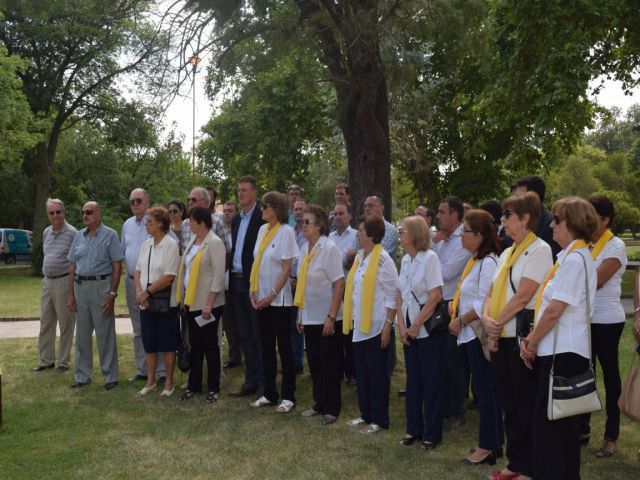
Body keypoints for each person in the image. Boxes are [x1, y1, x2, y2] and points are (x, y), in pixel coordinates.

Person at [520, 197, 598, 480]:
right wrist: (533, 340)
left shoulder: (575, 260)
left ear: (574, 223)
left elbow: (554, 311)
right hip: (557, 351)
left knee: (551, 429)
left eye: (557, 219)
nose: (551, 225)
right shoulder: (569, 258)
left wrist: (530, 341)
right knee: (557, 430)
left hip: (563, 354)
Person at [481, 192, 553, 480]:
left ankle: (530, 466)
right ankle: (516, 461)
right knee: (507, 402)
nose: (502, 221)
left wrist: (495, 323)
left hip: (518, 338)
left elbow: (523, 296)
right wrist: (488, 319)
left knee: (525, 404)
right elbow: (489, 293)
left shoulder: (540, 250)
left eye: (507, 215)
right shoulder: (508, 251)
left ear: (525, 219)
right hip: (500, 334)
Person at [448, 210, 503, 464]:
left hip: (476, 334)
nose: (461, 236)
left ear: (479, 235)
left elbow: (484, 302)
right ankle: (492, 443)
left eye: (465, 232)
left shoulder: (489, 262)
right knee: (484, 389)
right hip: (469, 335)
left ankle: (488, 447)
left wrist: (461, 319)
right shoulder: (476, 261)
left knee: (485, 391)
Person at [578, 195, 627, 457]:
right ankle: (583, 428)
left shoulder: (615, 245)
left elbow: (595, 281)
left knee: (609, 377)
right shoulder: (585, 244)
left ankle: (611, 435)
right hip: (586, 319)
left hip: (607, 321)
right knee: (586, 375)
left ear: (605, 219)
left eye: (590, 215)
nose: (584, 220)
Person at [345, 215, 398, 434]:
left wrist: (387, 325)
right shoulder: (360, 257)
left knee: (377, 375)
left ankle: (379, 419)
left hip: (376, 326)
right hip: (360, 325)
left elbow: (392, 296)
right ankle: (365, 414)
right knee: (362, 373)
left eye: (361, 230)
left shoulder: (384, 259)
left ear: (371, 235)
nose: (358, 233)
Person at [396, 215, 445, 449]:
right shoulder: (405, 260)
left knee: (431, 381)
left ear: (415, 234)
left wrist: (415, 326)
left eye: (403, 230)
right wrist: (402, 326)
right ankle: (413, 429)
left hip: (427, 330)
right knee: (413, 381)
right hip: (409, 329)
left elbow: (435, 296)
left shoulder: (430, 259)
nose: (399, 234)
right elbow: (400, 295)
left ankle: (432, 433)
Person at [249, 192, 299, 413]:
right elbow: (257, 262)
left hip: (279, 300)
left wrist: (271, 294)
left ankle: (288, 396)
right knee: (266, 346)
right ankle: (270, 392)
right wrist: (254, 291)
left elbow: (287, 268)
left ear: (277, 208)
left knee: (284, 348)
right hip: (261, 299)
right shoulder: (262, 230)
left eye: (265, 206)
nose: (262, 209)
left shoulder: (287, 232)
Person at [295, 205, 345, 425]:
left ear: (320, 225)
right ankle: (319, 403)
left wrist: (331, 316)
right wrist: (300, 314)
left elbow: (339, 283)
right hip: (309, 314)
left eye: (307, 222)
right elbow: (302, 285)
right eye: (302, 222)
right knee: (314, 362)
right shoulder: (305, 248)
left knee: (329, 363)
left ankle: (332, 407)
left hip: (327, 316)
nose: (302, 225)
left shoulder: (329, 248)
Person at [67, 201, 124, 390]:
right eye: (83, 212)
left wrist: (112, 294)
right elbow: (72, 265)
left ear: (99, 213)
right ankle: (82, 376)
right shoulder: (78, 236)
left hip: (102, 287)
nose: (85, 215)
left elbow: (117, 266)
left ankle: (110, 377)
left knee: (105, 333)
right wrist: (70, 295)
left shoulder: (110, 235)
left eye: (89, 212)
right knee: (82, 335)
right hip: (80, 287)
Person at [176, 207, 226, 402]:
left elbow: (218, 276)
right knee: (195, 346)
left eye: (191, 220)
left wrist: (209, 304)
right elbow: (186, 270)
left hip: (208, 304)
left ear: (202, 222)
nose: (189, 223)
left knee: (210, 345)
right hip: (191, 301)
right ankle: (194, 385)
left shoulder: (214, 243)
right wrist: (182, 297)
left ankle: (214, 387)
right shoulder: (192, 241)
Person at [432, 196, 471, 429]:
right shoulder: (440, 240)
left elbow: (444, 273)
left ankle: (457, 410)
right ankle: (445, 405)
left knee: (454, 361)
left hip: (453, 305)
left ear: (455, 214)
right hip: (439, 303)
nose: (438, 216)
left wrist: (432, 253)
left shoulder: (461, 240)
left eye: (442, 211)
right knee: (441, 359)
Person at [134, 206, 180, 397]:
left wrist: (147, 292)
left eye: (150, 222)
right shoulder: (147, 245)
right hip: (145, 302)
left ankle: (169, 383)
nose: (146, 225)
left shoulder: (171, 244)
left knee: (168, 343)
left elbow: (169, 275)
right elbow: (137, 271)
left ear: (160, 224)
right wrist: (139, 292)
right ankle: (151, 381)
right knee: (150, 342)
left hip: (165, 303)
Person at [122, 188, 166, 383]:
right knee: (138, 328)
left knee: (158, 326)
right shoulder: (127, 225)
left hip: (155, 285)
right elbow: (125, 251)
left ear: (147, 201)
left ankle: (162, 371)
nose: (135, 204)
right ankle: (142, 369)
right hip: (133, 282)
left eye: (139, 200)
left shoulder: (156, 221)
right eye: (132, 202)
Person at [229, 176, 266, 397]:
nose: (240, 194)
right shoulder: (235, 220)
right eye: (238, 190)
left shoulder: (262, 217)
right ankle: (250, 380)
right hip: (236, 280)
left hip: (253, 282)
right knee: (244, 333)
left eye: (244, 190)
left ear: (254, 192)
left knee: (257, 332)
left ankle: (263, 380)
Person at [33, 198, 77, 373]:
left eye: (58, 212)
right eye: (52, 213)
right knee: (46, 322)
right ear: (48, 215)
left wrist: (71, 290)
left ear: (63, 212)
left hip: (64, 282)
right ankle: (46, 360)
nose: (55, 215)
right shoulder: (46, 232)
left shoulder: (73, 233)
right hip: (47, 282)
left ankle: (63, 363)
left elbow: (75, 261)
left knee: (66, 323)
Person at [329, 202, 358, 386]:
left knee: (349, 331)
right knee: (336, 331)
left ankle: (351, 371)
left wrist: (347, 259)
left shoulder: (356, 236)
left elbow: (353, 261)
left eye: (341, 214)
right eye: (335, 214)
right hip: (333, 289)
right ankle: (337, 369)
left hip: (350, 288)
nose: (338, 217)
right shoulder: (329, 237)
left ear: (349, 216)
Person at [510, 175, 561, 260]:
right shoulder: (518, 223)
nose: (515, 202)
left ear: (534, 198)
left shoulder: (551, 225)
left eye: (519, 198)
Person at [182, 187, 231, 258]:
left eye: (193, 200)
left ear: (204, 202)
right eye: (188, 200)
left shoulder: (217, 223)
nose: (190, 202)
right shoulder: (185, 224)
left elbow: (227, 252)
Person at [222, 201, 242, 368]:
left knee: (241, 322)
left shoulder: (238, 232)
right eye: (225, 211)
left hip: (238, 282)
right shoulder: (221, 233)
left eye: (230, 211)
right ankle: (234, 356)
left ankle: (243, 353)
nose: (227, 213)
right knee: (229, 323)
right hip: (224, 285)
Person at [290, 199, 307, 374]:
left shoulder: (309, 234)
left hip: (304, 282)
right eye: (296, 209)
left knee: (301, 322)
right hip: (289, 281)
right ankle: (293, 359)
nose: (298, 212)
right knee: (291, 322)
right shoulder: (290, 231)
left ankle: (299, 359)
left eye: (301, 209)